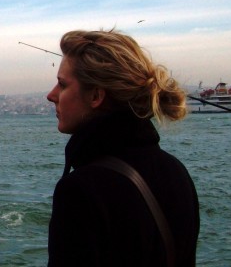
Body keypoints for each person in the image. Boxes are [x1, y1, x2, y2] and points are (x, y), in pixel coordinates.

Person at [46, 29, 199, 266]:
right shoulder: (176, 171)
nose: (51, 95)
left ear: (96, 96)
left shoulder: (80, 190)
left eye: (62, 85)